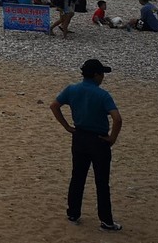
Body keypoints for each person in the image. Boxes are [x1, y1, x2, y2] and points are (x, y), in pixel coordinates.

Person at [49, 59, 123, 231]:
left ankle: (73, 213)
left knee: (77, 177)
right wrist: (112, 138)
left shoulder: (72, 89)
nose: (103, 77)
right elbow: (117, 119)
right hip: (99, 140)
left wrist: (67, 127)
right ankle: (106, 221)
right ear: (96, 75)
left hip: (79, 137)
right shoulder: (102, 95)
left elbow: (54, 106)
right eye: (102, 74)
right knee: (101, 181)